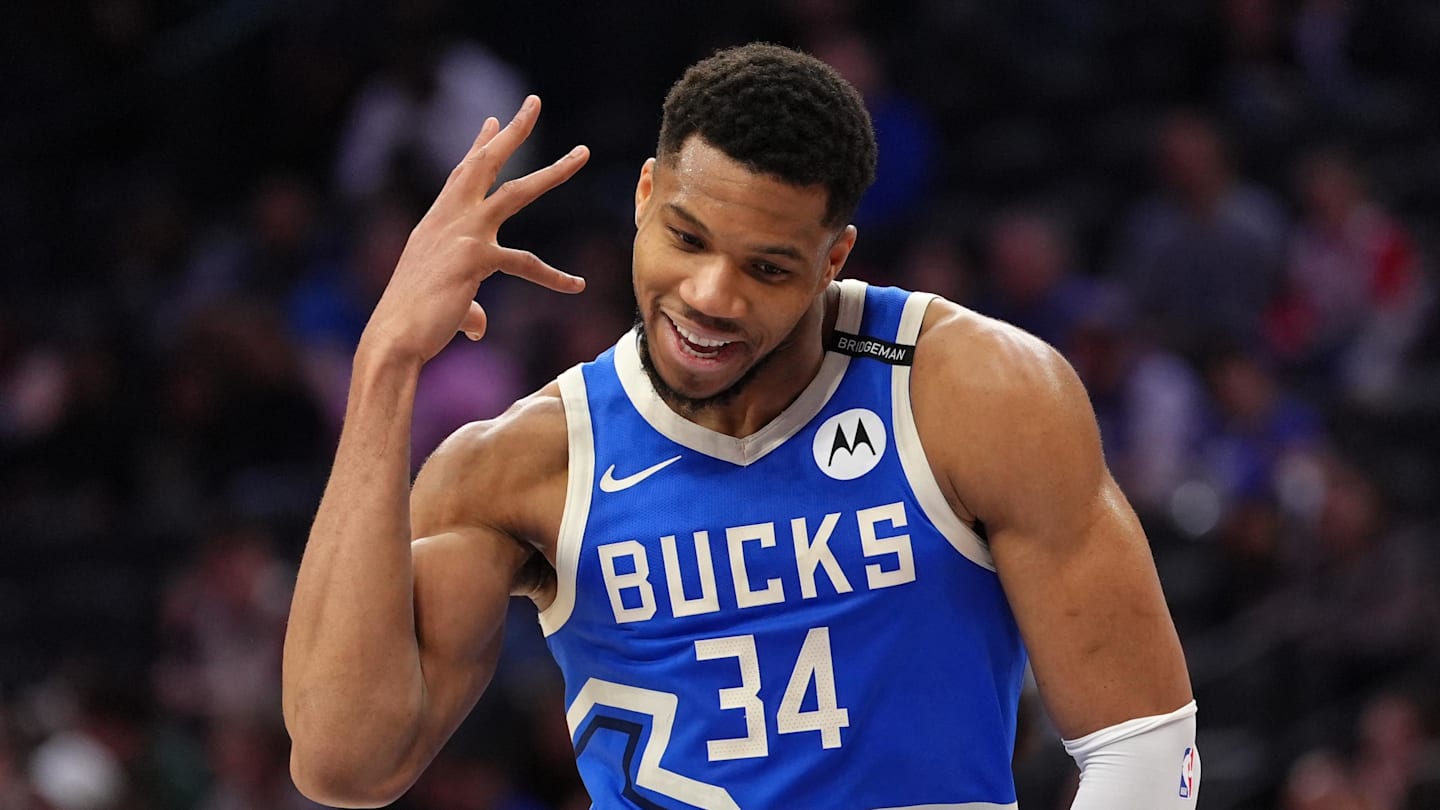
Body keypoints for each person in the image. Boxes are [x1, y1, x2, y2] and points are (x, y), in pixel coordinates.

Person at [282, 43, 1199, 809]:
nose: (710, 297)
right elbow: (344, 762)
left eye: (766, 268)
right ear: (644, 197)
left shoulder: (973, 391)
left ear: (834, 255)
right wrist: (384, 367)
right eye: (686, 240)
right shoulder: (525, 464)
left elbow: (1148, 755)